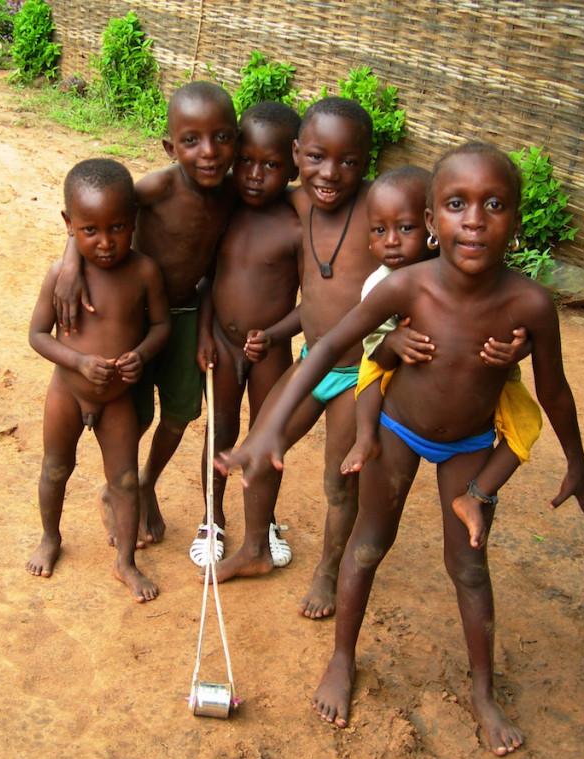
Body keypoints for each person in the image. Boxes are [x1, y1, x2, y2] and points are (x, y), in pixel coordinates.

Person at [217, 141, 584, 754]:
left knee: (470, 568)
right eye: (456, 204)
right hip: (397, 431)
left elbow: (554, 393)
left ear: (517, 220)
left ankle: (483, 693)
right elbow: (329, 347)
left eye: (494, 205)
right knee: (369, 544)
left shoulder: (530, 303)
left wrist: (578, 463)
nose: (474, 221)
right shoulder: (407, 288)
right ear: (432, 221)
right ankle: (343, 659)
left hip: (472, 444)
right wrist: (270, 425)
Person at [212, 97, 381, 621]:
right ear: (295, 155)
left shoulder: (379, 206)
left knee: (338, 481)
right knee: (260, 446)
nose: (330, 173)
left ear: (366, 163)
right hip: (311, 360)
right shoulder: (296, 202)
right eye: (315, 157)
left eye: (348, 161)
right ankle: (255, 547)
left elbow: (437, 226)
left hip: (360, 375)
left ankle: (328, 571)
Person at [53, 81, 237, 548]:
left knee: (178, 414)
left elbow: (217, 264)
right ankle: (121, 490)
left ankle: (147, 482)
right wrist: (72, 262)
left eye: (222, 137)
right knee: (132, 416)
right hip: (135, 317)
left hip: (184, 316)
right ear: (169, 146)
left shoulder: (234, 196)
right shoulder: (158, 186)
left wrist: (204, 327)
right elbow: (98, 214)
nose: (209, 152)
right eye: (191, 140)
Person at [341, 165, 542, 550]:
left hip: (476, 407)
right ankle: (365, 437)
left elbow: (517, 328)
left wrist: (522, 347)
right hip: (396, 388)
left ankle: (479, 493)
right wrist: (394, 343)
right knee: (369, 372)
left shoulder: (478, 274)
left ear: (427, 226)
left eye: (406, 228)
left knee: (526, 425)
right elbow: (366, 347)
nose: (393, 242)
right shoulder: (385, 284)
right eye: (380, 231)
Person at [25, 158, 170, 603]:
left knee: (125, 480)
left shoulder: (144, 272)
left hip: (117, 397)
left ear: (134, 221)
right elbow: (36, 335)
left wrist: (141, 357)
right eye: (90, 230)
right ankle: (51, 537)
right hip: (67, 391)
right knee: (55, 467)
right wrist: (78, 362)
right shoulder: (61, 275)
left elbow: (162, 326)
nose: (106, 243)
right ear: (69, 224)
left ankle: (125, 561)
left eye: (118, 228)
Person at [192, 101, 303, 567]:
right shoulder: (223, 209)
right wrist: (203, 333)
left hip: (270, 350)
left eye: (272, 165)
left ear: (295, 163)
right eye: (247, 162)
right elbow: (207, 278)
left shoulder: (299, 225)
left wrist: (275, 335)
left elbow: (315, 303)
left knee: (265, 435)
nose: (255, 174)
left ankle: (264, 520)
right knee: (220, 430)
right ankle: (212, 516)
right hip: (219, 339)